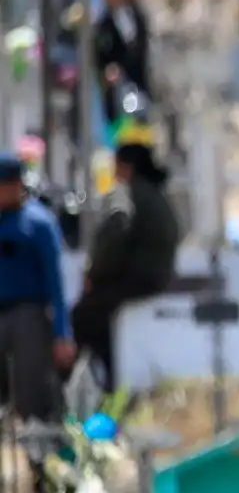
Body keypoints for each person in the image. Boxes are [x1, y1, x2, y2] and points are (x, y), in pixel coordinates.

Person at [71, 143, 179, 390]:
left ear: (126, 167)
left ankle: (108, 381)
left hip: (137, 278)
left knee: (83, 316)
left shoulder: (128, 193)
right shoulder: (152, 193)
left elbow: (115, 233)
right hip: (153, 277)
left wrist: (94, 274)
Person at [0, 154, 74, 425]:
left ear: (15, 184)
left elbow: (56, 281)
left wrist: (62, 333)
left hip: (27, 315)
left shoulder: (38, 223)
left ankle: (39, 455)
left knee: (30, 392)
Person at [92, 0, 153, 124]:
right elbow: (100, 50)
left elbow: (140, 42)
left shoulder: (135, 12)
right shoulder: (104, 22)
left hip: (137, 77)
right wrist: (108, 68)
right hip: (117, 85)